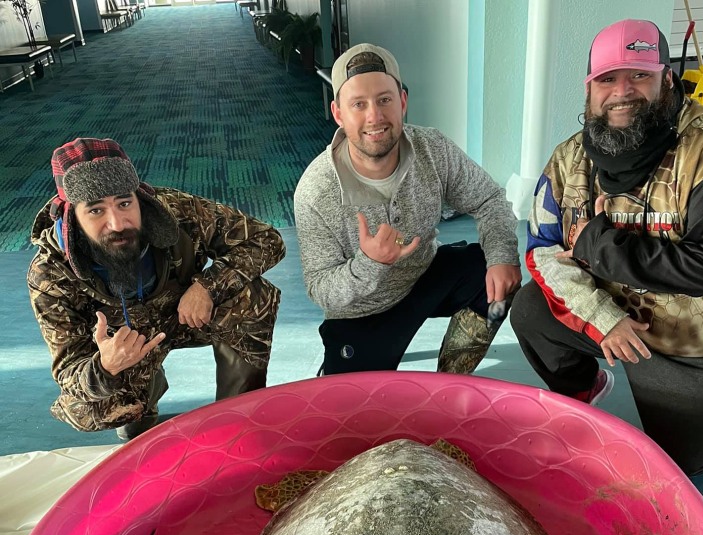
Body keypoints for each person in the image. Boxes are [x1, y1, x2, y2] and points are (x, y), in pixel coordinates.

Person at [509, 19, 703, 477]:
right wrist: (602, 318)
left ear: (666, 80)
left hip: (701, 339)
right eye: (607, 78)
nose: (622, 91)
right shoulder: (568, 161)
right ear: (589, 90)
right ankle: (585, 391)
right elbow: (542, 250)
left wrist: (597, 245)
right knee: (530, 312)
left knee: (688, 462)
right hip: (621, 314)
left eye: (638, 75)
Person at [28, 138, 285, 440]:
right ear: (72, 217)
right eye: (96, 211)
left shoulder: (177, 211)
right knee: (90, 408)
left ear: (139, 198)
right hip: (124, 347)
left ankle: (237, 419)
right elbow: (70, 373)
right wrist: (106, 366)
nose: (117, 223)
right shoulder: (50, 273)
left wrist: (207, 286)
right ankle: (139, 410)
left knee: (251, 296)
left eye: (125, 203)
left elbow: (267, 240)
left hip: (182, 316)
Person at [294, 43, 521, 376]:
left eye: (385, 99)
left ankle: (451, 382)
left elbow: (488, 198)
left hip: (425, 274)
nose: (375, 116)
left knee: (495, 276)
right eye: (359, 104)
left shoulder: (432, 146)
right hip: (363, 311)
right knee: (357, 415)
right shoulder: (315, 190)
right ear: (339, 113)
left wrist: (502, 256)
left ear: (402, 102)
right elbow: (321, 288)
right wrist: (370, 263)